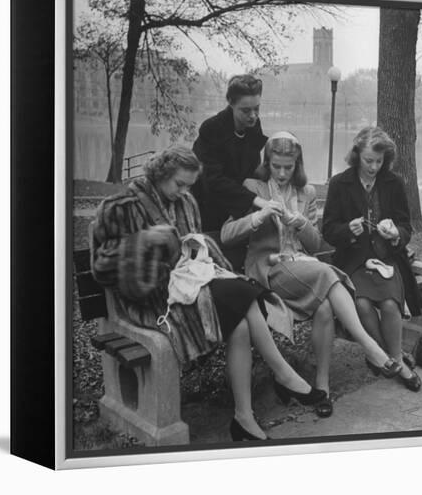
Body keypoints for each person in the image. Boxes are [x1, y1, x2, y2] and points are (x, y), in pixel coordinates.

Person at [91, 145, 326, 442]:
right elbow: (101, 267)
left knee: (240, 323)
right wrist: (145, 240)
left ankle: (244, 417)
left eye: (190, 185)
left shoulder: (186, 201)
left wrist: (197, 252)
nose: (184, 191)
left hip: (189, 286)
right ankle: (282, 372)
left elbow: (194, 246)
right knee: (242, 292)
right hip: (153, 301)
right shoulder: (121, 206)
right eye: (179, 184)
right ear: (161, 174)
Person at [221, 132, 402, 418]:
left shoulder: (306, 193)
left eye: (288, 167)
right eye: (276, 166)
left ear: (297, 164)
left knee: (326, 307)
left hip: (302, 271)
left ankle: (322, 387)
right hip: (268, 270)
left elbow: (316, 244)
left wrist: (302, 223)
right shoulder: (252, 188)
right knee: (325, 272)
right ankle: (370, 347)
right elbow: (226, 234)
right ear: (267, 162)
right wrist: (258, 216)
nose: (281, 173)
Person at [322, 127, 422, 392]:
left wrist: (395, 234)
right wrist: (347, 230)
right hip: (353, 261)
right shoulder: (339, 183)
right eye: (368, 160)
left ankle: (393, 359)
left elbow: (405, 227)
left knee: (390, 305)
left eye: (379, 161)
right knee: (363, 305)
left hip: (387, 258)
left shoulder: (394, 183)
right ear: (356, 155)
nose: (374, 167)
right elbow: (329, 230)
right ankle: (394, 360)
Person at [192, 74, 273, 232]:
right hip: (208, 210)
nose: (253, 116)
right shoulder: (212, 129)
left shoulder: (254, 126)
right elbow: (213, 180)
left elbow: (251, 169)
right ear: (230, 103)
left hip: (240, 211)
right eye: (245, 110)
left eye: (257, 108)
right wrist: (255, 200)